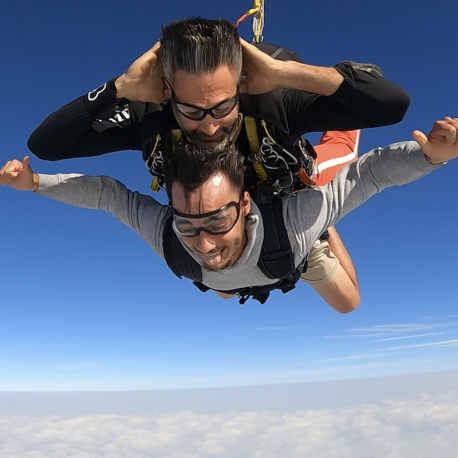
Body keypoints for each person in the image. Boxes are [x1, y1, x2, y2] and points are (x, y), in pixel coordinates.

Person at [26, 18, 410, 311]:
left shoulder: (270, 100)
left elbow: (390, 105)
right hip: (222, 223)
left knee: (348, 302)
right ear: (167, 92)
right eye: (190, 109)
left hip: (288, 195)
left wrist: (284, 74)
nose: (209, 126)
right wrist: (119, 88)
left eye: (222, 107)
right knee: (222, 286)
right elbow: (46, 145)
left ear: (241, 84)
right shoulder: (151, 114)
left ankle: (324, 223)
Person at [3, 117, 456, 306]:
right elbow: (108, 195)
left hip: (291, 242)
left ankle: (344, 110)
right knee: (216, 281)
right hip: (263, 258)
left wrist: (431, 156)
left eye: (216, 222)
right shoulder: (174, 241)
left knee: (348, 302)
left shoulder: (296, 223)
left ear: (242, 207)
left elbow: (369, 174)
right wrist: (35, 183)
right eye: (187, 225)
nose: (202, 243)